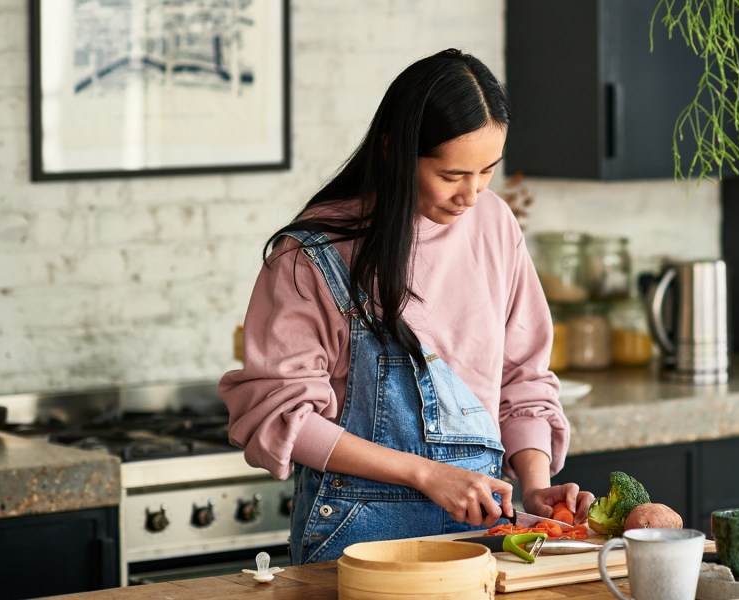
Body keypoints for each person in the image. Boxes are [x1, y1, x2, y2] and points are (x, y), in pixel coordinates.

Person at [219, 48, 593, 565]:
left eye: (487, 170)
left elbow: (522, 377)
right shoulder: (313, 253)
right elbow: (284, 416)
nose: (472, 193)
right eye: (451, 174)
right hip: (359, 541)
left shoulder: (494, 224)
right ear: (396, 152)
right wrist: (426, 474)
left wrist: (535, 485)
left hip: (483, 537)